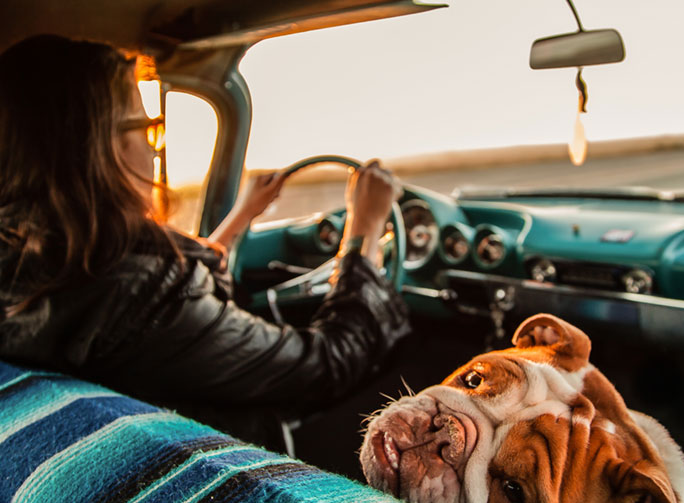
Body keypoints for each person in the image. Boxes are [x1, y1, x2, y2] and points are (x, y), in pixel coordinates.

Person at [0, 34, 411, 450]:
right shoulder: (145, 300)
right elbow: (326, 364)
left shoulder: (34, 266)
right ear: (101, 147)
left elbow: (174, 301)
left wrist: (240, 218)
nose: (152, 144)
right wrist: (364, 228)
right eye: (146, 127)